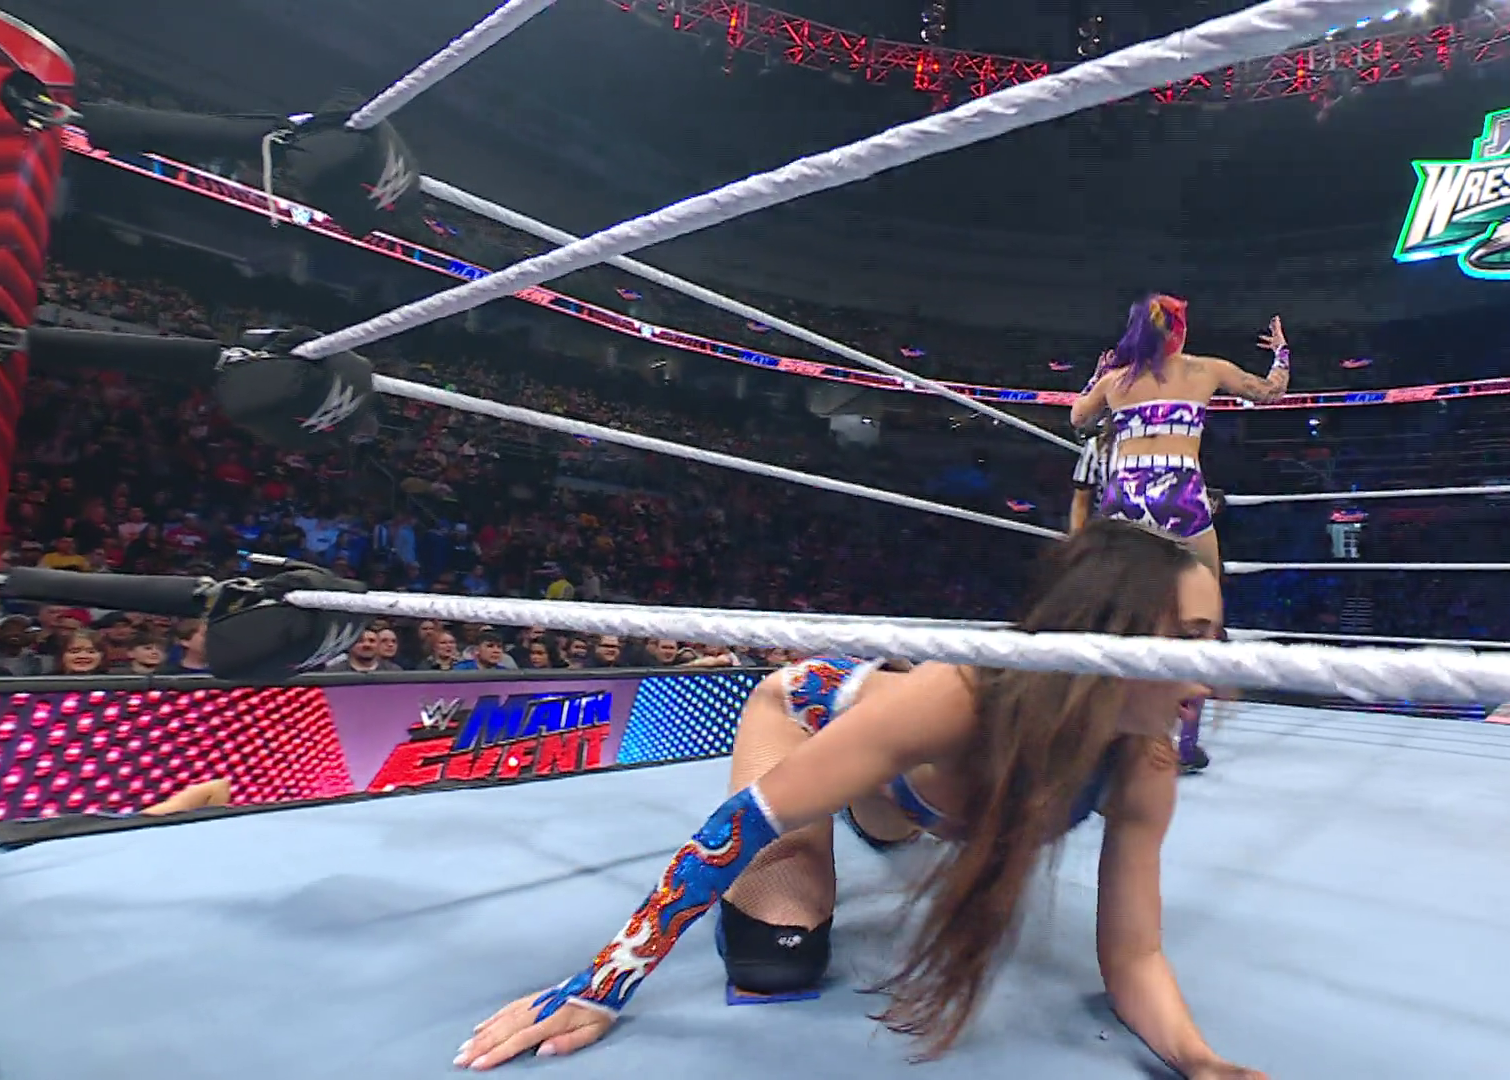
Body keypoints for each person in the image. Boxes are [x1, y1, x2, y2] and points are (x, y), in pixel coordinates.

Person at [458, 521, 1264, 1079]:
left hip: (900, 794)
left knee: (885, 807)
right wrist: (602, 985)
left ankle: (860, 793)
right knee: (778, 960)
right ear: (1109, 633)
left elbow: (1134, 957)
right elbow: (736, 829)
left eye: (1214, 641)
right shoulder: (962, 697)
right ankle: (846, 788)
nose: (1209, 674)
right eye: (1187, 639)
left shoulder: (1143, 758)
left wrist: (1201, 1061)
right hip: (805, 716)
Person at [1070, 295, 1289, 579]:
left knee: (1124, 591)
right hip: (1178, 486)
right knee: (1206, 585)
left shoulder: (1115, 380)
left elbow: (1078, 418)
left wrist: (1098, 377)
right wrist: (1281, 351)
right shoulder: (1207, 369)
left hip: (1124, 489)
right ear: (1180, 331)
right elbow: (1272, 391)